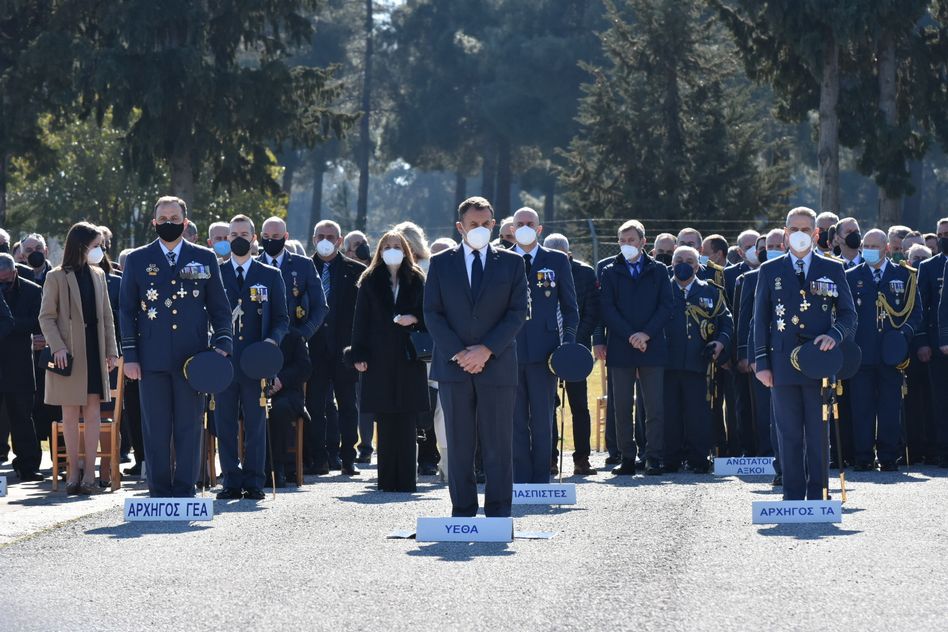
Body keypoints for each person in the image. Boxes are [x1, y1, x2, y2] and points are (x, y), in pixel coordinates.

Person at [120, 196, 233, 498]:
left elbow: (220, 307)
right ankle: (158, 490)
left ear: (185, 222)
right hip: (150, 358)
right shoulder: (138, 259)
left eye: (174, 218)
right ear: (153, 222)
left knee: (189, 426)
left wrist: (222, 343)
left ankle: (185, 489)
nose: (168, 223)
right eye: (162, 218)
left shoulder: (204, 257)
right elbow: (127, 310)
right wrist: (130, 355)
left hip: (192, 360)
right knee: (155, 427)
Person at [424, 196, 528, 517]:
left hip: (496, 365)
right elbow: (432, 313)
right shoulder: (440, 263)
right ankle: (463, 510)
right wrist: (459, 352)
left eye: (485, 224)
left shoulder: (512, 263)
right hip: (453, 367)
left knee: (498, 444)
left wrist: (486, 350)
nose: (480, 229)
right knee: (458, 444)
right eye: (473, 224)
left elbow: (517, 312)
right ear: (460, 227)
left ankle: (498, 512)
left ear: (494, 225)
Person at [753, 207, 857, 500]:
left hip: (819, 361)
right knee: (788, 433)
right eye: (794, 229)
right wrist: (762, 363)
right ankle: (793, 495)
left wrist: (834, 336)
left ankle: (818, 493)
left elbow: (848, 314)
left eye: (805, 229)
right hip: (782, 363)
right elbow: (759, 320)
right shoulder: (769, 270)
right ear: (786, 234)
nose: (800, 234)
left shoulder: (833, 268)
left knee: (817, 433)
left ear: (816, 233)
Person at [39, 223, 119, 495]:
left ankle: (89, 475)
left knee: (93, 412)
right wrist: (58, 347)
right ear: (81, 246)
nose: (100, 250)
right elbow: (46, 317)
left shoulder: (99, 274)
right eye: (96, 245)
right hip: (69, 356)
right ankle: (73, 471)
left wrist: (111, 351)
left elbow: (107, 316)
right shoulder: (56, 276)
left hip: (95, 351)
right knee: (70, 413)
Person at [215, 215, 289, 501]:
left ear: (254, 237)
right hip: (224, 361)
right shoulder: (216, 273)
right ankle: (230, 480)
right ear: (227, 239)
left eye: (244, 234)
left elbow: (282, 318)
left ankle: (255, 481)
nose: (239, 239)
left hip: (256, 361)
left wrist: (272, 342)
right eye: (233, 235)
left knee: (256, 423)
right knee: (224, 423)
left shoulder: (269, 275)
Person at [350, 231, 429, 492]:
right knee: (384, 418)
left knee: (406, 418)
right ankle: (386, 479)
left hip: (408, 356)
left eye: (397, 246)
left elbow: (429, 312)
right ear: (380, 251)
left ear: (405, 250)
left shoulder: (417, 278)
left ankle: (406, 479)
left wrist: (413, 318)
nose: (392, 250)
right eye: (387, 246)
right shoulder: (369, 279)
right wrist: (359, 354)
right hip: (379, 356)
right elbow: (360, 320)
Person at [510, 208, 578, 483]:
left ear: (539, 229)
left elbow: (570, 308)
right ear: (512, 229)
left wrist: (567, 345)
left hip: (545, 352)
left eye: (530, 223)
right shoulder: (501, 259)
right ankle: (519, 479)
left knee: (542, 419)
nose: (525, 227)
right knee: (514, 420)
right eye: (520, 224)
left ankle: (540, 478)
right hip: (509, 350)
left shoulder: (557, 260)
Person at [601, 220, 673, 475]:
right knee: (621, 407)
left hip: (651, 346)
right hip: (621, 346)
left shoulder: (659, 270)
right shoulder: (610, 271)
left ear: (643, 242)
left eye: (631, 240)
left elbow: (666, 306)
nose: (626, 244)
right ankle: (627, 457)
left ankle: (653, 457)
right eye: (622, 240)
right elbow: (607, 308)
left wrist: (645, 334)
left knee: (654, 406)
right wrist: (631, 335)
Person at [846, 229, 921, 471]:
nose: (868, 250)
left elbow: (915, 312)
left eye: (874, 246)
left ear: (886, 248)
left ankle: (889, 456)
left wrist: (903, 336)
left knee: (890, 406)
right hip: (862, 352)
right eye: (865, 245)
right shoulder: (850, 276)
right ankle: (863, 456)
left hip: (891, 354)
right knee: (862, 407)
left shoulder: (904, 275)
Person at [663, 246, 732, 473]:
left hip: (699, 362)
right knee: (670, 412)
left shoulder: (711, 291)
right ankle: (671, 459)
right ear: (672, 263)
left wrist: (720, 343)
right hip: (667, 362)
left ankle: (699, 458)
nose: (684, 264)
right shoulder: (662, 289)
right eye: (679, 260)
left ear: (697, 265)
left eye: (689, 261)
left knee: (698, 413)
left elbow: (726, 322)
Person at [307, 220, 365, 474]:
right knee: (316, 405)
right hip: (314, 348)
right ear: (313, 239)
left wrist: (360, 349)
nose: (325, 241)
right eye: (321, 236)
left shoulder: (356, 271)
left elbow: (363, 314)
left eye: (331, 237)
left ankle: (348, 456)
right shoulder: (304, 268)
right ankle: (319, 456)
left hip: (345, 350)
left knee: (347, 405)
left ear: (340, 241)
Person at [545, 233, 600, 475]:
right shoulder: (540, 271)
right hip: (545, 348)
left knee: (579, 405)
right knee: (547, 405)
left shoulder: (585, 273)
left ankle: (582, 459)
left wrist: (572, 340)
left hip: (576, 349)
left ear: (568, 254)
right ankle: (549, 458)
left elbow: (592, 311)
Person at [393, 221, 440, 476]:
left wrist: (414, 318)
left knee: (427, 401)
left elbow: (434, 307)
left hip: (423, 343)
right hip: (397, 344)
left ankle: (428, 456)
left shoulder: (428, 268)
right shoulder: (390, 271)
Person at [0, 253, 44, 481]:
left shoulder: (32, 291)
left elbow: (37, 322)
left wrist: (9, 324)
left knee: (22, 416)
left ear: (15, 272)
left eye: (6, 280)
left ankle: (28, 465)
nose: (3, 285)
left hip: (20, 363)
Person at [258, 216, 328, 342]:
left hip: (293, 340)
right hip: (259, 341)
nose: (270, 240)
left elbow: (320, 306)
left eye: (275, 236)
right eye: (266, 236)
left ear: (285, 237)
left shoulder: (304, 265)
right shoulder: (253, 266)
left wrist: (303, 334)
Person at [267, 319, 312, 486]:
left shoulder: (294, 335)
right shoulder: (254, 333)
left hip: (288, 392)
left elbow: (305, 368)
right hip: (256, 391)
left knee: (279, 409)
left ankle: (279, 467)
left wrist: (281, 380)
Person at [426, 237, 457, 482]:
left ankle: (451, 463)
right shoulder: (423, 282)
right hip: (429, 357)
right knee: (436, 412)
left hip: (459, 355)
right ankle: (440, 461)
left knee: (447, 411)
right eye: (434, 254)